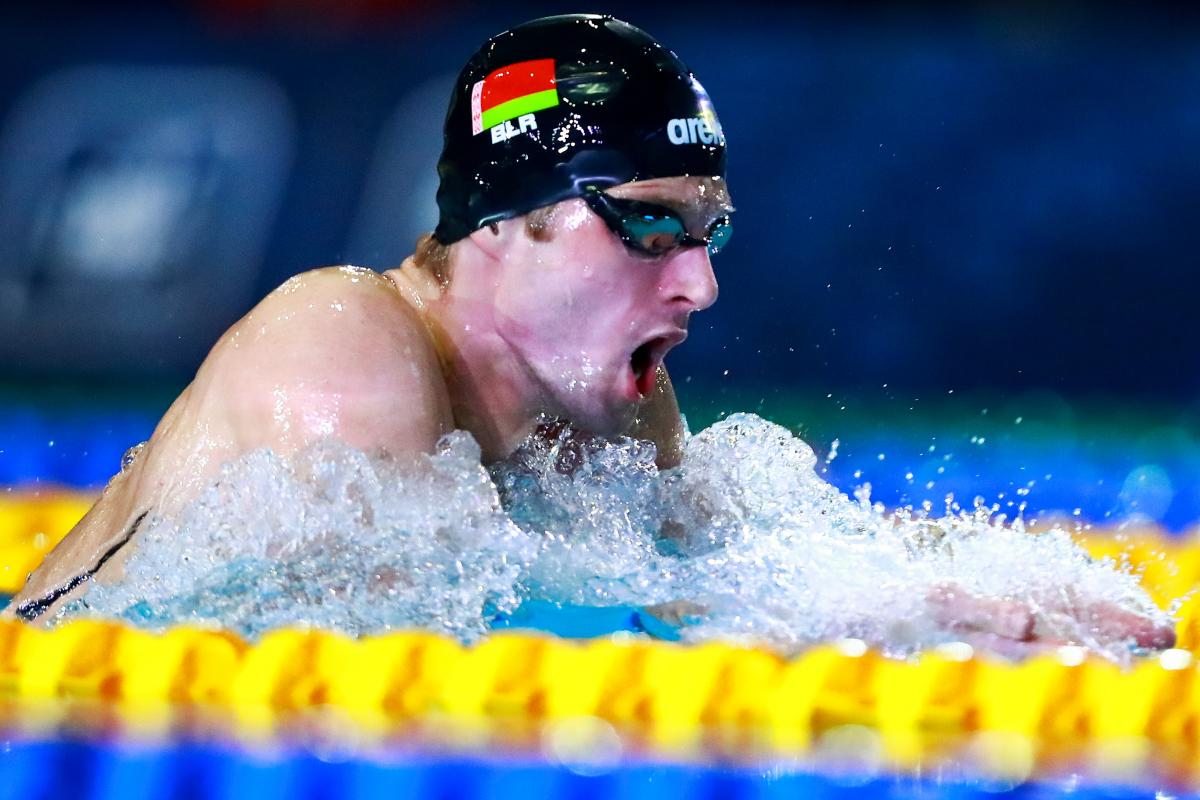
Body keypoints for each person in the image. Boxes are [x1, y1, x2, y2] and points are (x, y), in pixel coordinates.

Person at [2, 15, 1176, 653]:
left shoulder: (605, 400)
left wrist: (960, 592)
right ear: (511, 221)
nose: (702, 287)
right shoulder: (340, 346)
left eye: (708, 230)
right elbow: (394, 646)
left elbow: (739, 568)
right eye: (651, 227)